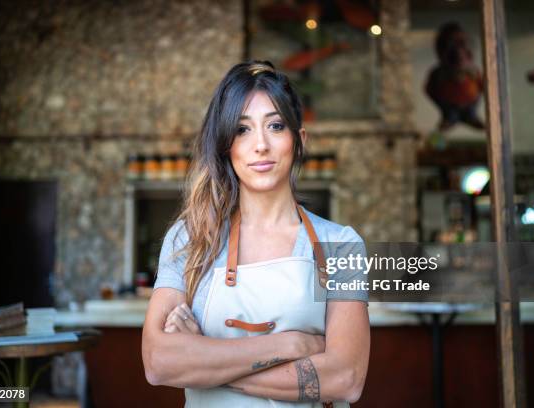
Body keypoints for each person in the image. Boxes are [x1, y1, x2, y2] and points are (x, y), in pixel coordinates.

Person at [142, 60, 370, 407]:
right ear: (225, 145)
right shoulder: (189, 239)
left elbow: (346, 379)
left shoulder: (341, 246)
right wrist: (291, 346)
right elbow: (159, 363)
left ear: (299, 140)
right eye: (242, 129)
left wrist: (204, 359)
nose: (260, 145)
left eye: (276, 126)